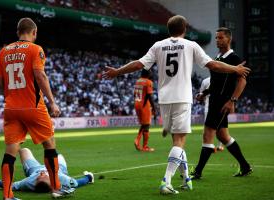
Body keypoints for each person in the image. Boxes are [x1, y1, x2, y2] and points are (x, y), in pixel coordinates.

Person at [102, 15, 250, 195]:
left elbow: (139, 64)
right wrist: (235, 68)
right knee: (180, 142)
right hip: (182, 98)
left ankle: (186, 178)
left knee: (176, 141)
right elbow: (213, 65)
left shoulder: (158, 45)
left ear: (168, 29)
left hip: (164, 98)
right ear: (184, 29)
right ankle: (166, 181)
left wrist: (117, 71)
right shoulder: (191, 45)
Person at [0, 18, 73, 199]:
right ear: (34, 32)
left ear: (17, 32)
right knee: (49, 145)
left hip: (11, 107)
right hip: (33, 106)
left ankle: (7, 196)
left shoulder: (3, 52)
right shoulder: (36, 49)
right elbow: (40, 75)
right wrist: (52, 102)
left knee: (10, 152)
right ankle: (56, 188)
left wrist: (9, 96)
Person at [190, 27, 253, 180]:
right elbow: (216, 83)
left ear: (228, 39)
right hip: (214, 100)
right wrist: (204, 93)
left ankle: (197, 172)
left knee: (207, 135)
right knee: (223, 136)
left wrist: (232, 100)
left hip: (221, 103)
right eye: (216, 38)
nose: (217, 40)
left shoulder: (234, 59)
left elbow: (242, 81)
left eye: (220, 38)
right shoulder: (218, 58)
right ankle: (245, 166)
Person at [0, 148, 94, 192]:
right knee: (55, 153)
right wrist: (89, 177)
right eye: (44, 176)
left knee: (24, 150)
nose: (41, 174)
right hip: (58, 168)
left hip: (33, 169)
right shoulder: (63, 179)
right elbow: (79, 183)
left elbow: (11, 186)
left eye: (39, 178)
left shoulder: (29, 182)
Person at [196, 77, 224, 152]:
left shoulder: (205, 81)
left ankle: (207, 145)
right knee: (219, 126)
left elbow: (201, 94)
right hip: (219, 106)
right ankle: (219, 145)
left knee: (207, 127)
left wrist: (199, 97)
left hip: (208, 107)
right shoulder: (222, 78)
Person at [134, 69, 156, 152]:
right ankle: (142, 144)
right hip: (144, 104)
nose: (151, 72)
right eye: (150, 71)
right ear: (147, 73)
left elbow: (134, 94)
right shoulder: (148, 82)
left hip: (137, 103)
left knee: (144, 124)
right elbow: (150, 96)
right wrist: (154, 108)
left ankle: (141, 144)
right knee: (146, 125)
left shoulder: (138, 81)